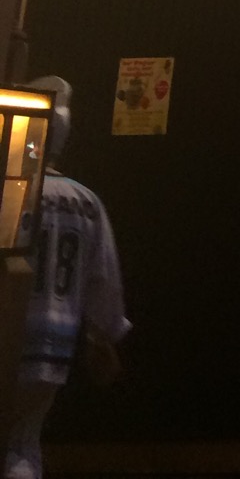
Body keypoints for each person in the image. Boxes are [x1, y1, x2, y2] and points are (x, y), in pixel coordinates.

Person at [7, 77, 129, 479]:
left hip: (8, 331)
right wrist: (103, 336)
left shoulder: (13, 190)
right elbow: (103, 278)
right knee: (24, 441)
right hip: (54, 346)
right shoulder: (87, 202)